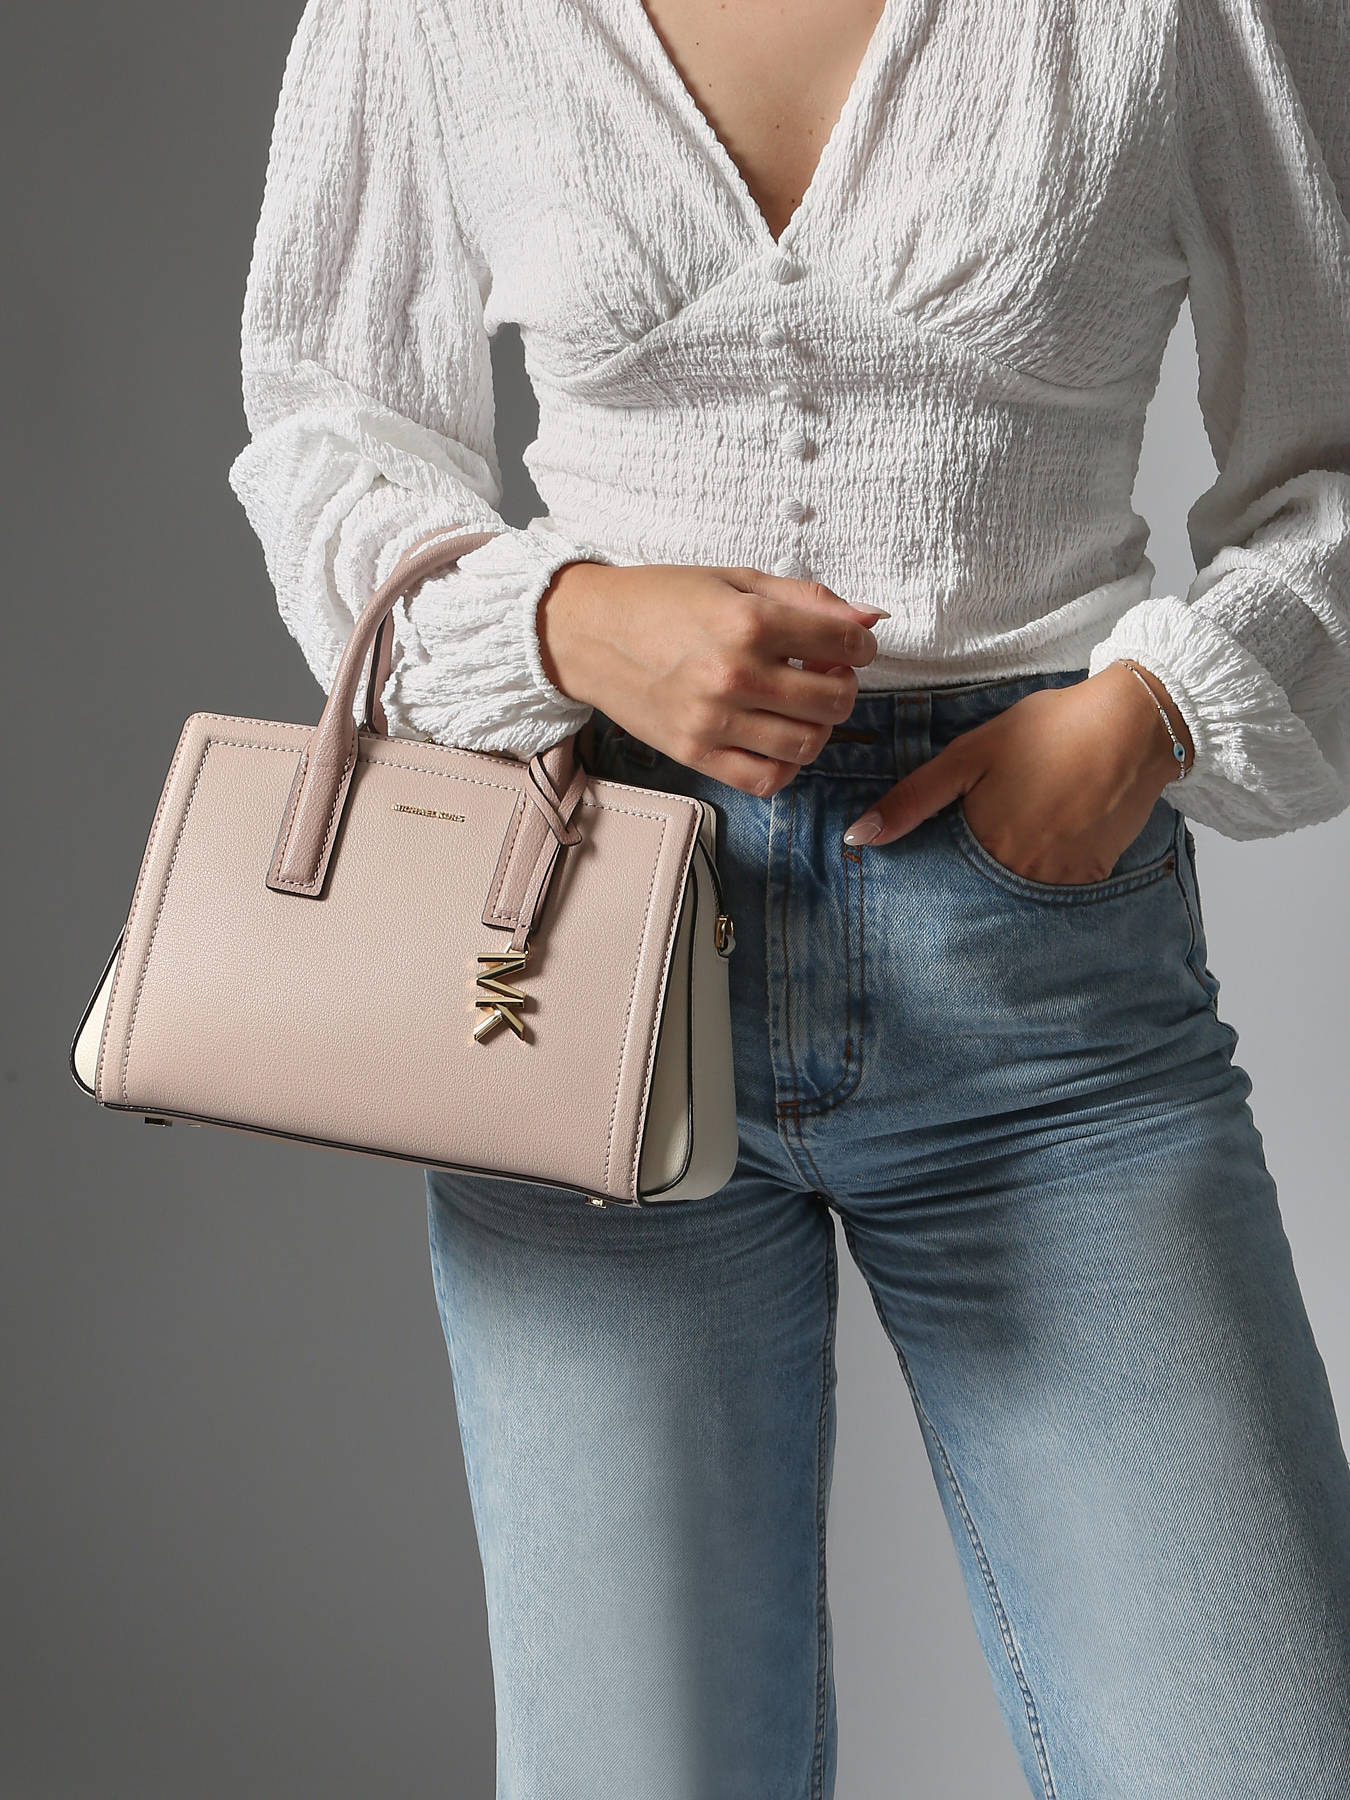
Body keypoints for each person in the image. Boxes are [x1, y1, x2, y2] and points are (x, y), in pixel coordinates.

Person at [227, 0, 1350, 1792]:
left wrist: (1148, 714)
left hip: (1040, 977)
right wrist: (560, 617)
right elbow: (323, 423)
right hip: (581, 956)